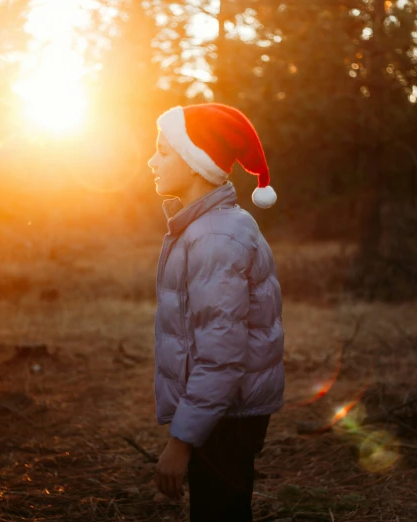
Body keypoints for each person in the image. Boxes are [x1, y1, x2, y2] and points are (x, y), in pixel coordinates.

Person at [147, 103, 285, 522]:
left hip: (226, 416)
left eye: (163, 151)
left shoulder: (215, 239)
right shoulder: (203, 228)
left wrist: (181, 442)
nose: (151, 161)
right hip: (220, 412)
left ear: (194, 164)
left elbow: (222, 355)